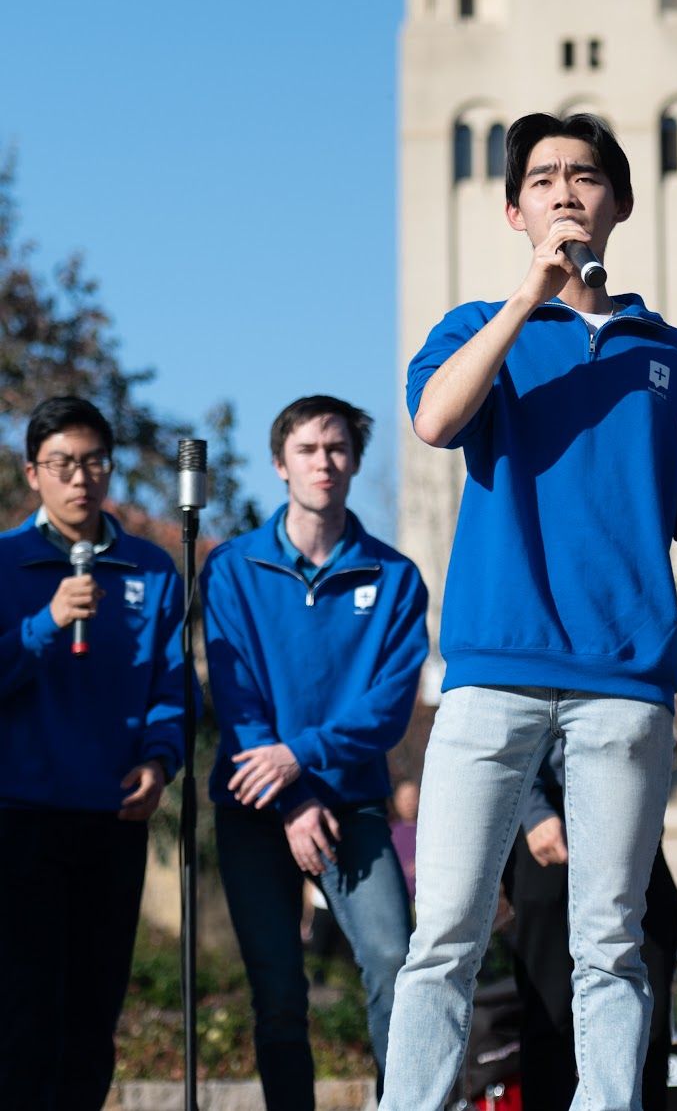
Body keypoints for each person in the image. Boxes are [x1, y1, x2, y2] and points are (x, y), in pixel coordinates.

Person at [380, 112, 677, 1111]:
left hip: (623, 690)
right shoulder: (476, 329)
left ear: (618, 203)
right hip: (492, 675)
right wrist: (527, 298)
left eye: (584, 174)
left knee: (611, 942)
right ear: (514, 210)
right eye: (541, 178)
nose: (564, 190)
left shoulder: (667, 355)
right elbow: (434, 419)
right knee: (446, 932)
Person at [201, 394, 428, 1110]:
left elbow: (388, 709)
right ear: (280, 464)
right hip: (255, 806)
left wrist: (302, 759)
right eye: (307, 449)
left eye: (336, 448)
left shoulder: (395, 579)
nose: (323, 461)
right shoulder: (233, 567)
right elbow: (234, 701)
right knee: (278, 989)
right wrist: (292, 797)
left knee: (397, 962)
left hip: (354, 807)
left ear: (355, 462)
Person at [0, 395, 185, 1111]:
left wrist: (160, 758)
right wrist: (47, 623)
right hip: (21, 815)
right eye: (63, 464)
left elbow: (170, 682)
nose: (81, 478)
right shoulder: (8, 564)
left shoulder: (153, 570)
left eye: (94, 462)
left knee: (92, 1013)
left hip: (112, 818)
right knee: (23, 1011)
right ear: (32, 474)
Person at [503, 742, 677, 1111]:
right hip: (548, 814)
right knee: (549, 1017)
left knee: (650, 1011)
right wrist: (532, 807)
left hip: (624, 806)